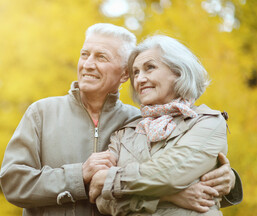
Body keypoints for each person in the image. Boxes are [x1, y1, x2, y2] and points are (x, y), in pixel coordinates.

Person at [0, 24, 241, 216]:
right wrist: (79, 175)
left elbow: (173, 168)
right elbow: (13, 183)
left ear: (124, 74)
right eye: (85, 54)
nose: (88, 64)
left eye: (101, 57)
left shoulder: (136, 120)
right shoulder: (42, 112)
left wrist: (227, 177)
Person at [89, 35, 243, 215]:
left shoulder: (208, 122)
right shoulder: (125, 132)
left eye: (150, 68)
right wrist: (166, 197)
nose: (139, 79)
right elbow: (102, 200)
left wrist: (109, 179)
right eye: (136, 72)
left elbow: (169, 173)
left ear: (178, 72)